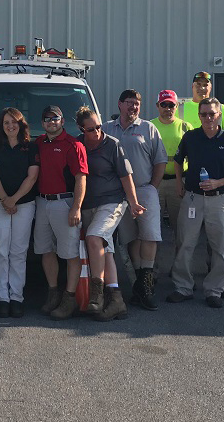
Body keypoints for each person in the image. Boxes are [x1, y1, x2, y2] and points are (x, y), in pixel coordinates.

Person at [167, 97, 224, 309]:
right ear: (199, 116)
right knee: (185, 243)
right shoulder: (191, 138)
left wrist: (218, 182)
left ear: (219, 115)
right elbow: (177, 160)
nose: (208, 118)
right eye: (204, 114)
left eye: (212, 114)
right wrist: (178, 183)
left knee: (220, 247)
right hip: (192, 199)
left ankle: (214, 290)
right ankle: (183, 287)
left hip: (219, 201)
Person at [77, 107, 145, 321]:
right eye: (91, 129)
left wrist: (133, 203)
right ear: (81, 129)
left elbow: (126, 176)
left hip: (112, 202)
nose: (97, 132)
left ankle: (96, 296)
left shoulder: (112, 145)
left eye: (99, 127)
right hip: (88, 205)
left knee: (94, 238)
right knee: (104, 249)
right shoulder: (77, 145)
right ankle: (116, 300)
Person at [102, 90, 167, 311]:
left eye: (137, 103)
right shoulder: (107, 128)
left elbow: (160, 160)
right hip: (117, 195)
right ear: (120, 104)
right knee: (130, 239)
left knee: (149, 236)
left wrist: (152, 187)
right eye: (129, 103)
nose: (134, 107)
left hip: (144, 189)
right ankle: (140, 284)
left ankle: (146, 286)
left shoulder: (148, 128)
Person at [32, 106, 89, 319]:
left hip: (64, 203)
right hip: (41, 202)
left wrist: (76, 207)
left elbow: (80, 178)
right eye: (46, 119)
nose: (51, 122)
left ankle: (69, 298)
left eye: (55, 118)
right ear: (42, 123)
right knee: (46, 250)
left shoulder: (73, 145)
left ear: (62, 121)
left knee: (70, 253)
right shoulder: (38, 144)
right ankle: (53, 293)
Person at [0, 108, 39, 318]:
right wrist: (5, 201)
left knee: (18, 251)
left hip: (24, 205)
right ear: (2, 125)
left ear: (21, 124)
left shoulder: (30, 146)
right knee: (0, 250)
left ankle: (16, 297)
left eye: (14, 122)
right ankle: (2, 298)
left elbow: (32, 177)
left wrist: (14, 200)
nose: (10, 126)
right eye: (6, 122)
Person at [151, 90, 193, 248]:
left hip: (178, 183)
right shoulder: (150, 126)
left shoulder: (185, 127)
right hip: (156, 184)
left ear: (176, 106)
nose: (167, 108)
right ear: (157, 106)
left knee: (181, 230)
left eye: (171, 105)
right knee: (152, 230)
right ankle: (152, 269)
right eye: (164, 104)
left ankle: (179, 270)